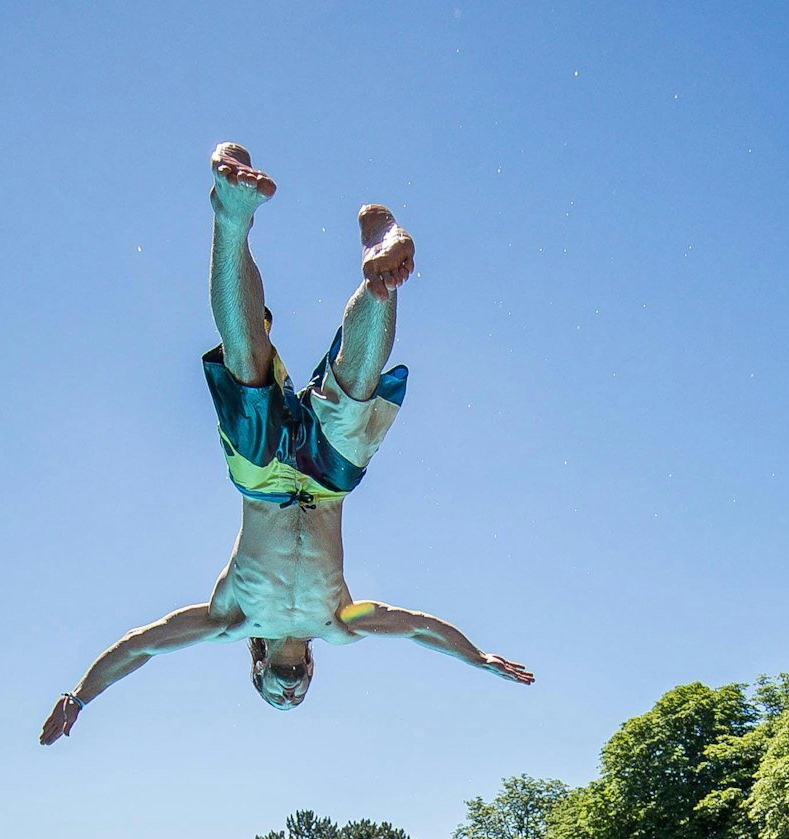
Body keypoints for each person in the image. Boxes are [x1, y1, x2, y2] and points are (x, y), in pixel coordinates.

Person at [39, 142, 532, 744]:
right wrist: (476, 658)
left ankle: (231, 213)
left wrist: (80, 695)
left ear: (257, 669)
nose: (290, 693)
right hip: (326, 485)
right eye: (298, 695)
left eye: (278, 695)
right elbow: (420, 628)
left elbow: (141, 646)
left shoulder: (229, 619)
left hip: (263, 480)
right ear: (312, 670)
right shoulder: (341, 623)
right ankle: (379, 278)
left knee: (246, 360)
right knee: (358, 389)